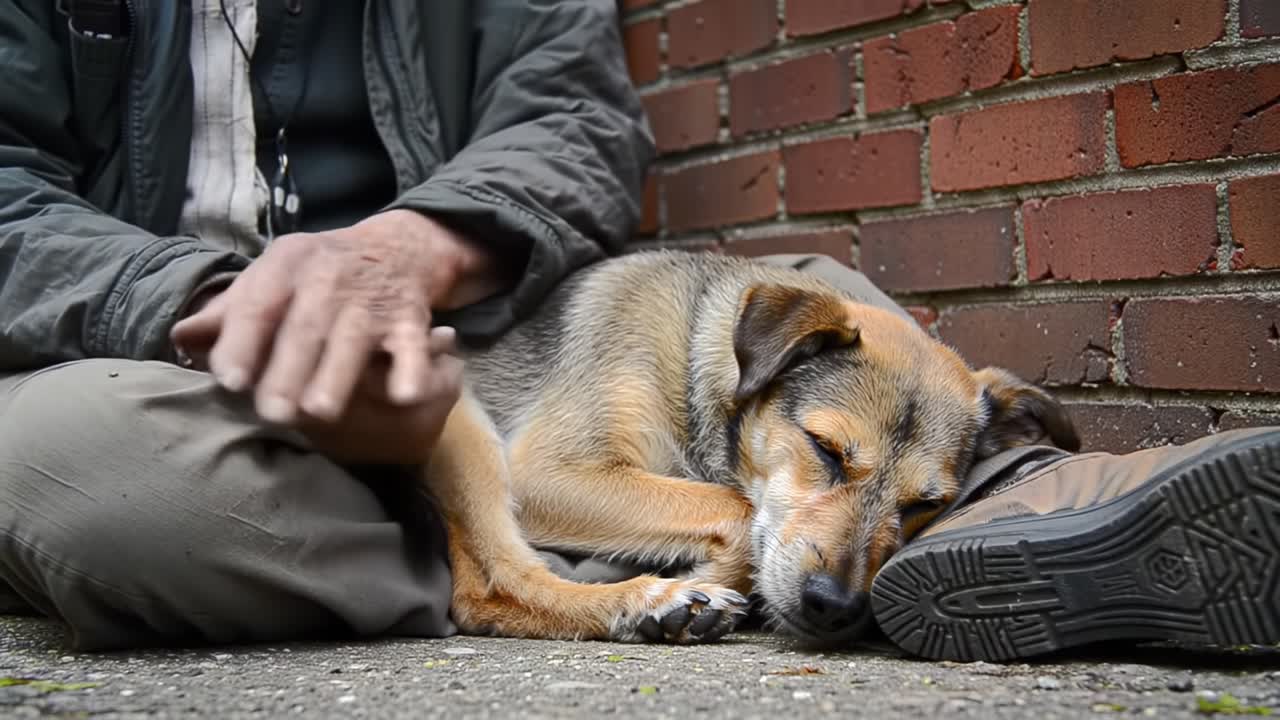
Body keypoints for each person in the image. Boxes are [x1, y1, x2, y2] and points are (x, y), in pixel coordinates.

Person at [0, 0, 1274, 659]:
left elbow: (580, 121)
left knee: (849, 318)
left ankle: (1024, 507)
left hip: (478, 304)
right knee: (106, 497)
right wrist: (204, 299)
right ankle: (518, 567)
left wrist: (409, 247)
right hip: (177, 362)